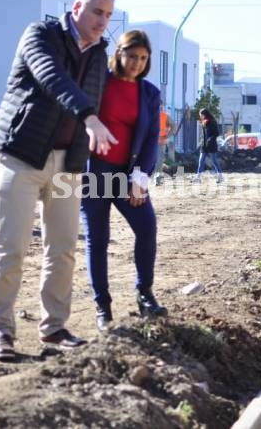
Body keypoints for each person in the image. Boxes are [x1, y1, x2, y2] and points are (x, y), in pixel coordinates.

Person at [0, 0, 118, 361]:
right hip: (21, 155)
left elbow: (107, 95)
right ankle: (2, 333)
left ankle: (54, 327)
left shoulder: (98, 54)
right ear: (77, 8)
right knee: (11, 247)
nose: (102, 21)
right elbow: (51, 78)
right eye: (97, 12)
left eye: (108, 15)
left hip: (67, 163)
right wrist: (89, 117)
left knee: (62, 249)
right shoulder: (39, 35)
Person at [80, 29, 166, 332]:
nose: (136, 63)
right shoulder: (99, 83)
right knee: (98, 239)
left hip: (126, 175)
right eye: (131, 56)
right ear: (119, 53)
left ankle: (145, 294)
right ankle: (102, 306)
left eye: (142, 58)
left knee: (146, 226)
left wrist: (139, 179)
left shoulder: (149, 93)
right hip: (93, 173)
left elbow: (151, 140)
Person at [192, 108, 223, 183]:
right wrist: (202, 141)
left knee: (214, 161)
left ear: (205, 114)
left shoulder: (212, 122)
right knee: (201, 161)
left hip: (211, 144)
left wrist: (210, 140)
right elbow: (204, 134)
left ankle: (220, 177)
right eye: (200, 115)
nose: (200, 117)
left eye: (201, 115)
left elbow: (216, 133)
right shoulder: (204, 122)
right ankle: (198, 178)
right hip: (204, 145)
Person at [154, 105, 173, 185]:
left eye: (161, 107)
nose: (160, 108)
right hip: (153, 142)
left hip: (160, 142)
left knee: (159, 160)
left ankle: (157, 177)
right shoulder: (151, 115)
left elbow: (173, 127)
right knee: (157, 160)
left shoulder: (165, 116)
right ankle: (156, 177)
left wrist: (167, 136)